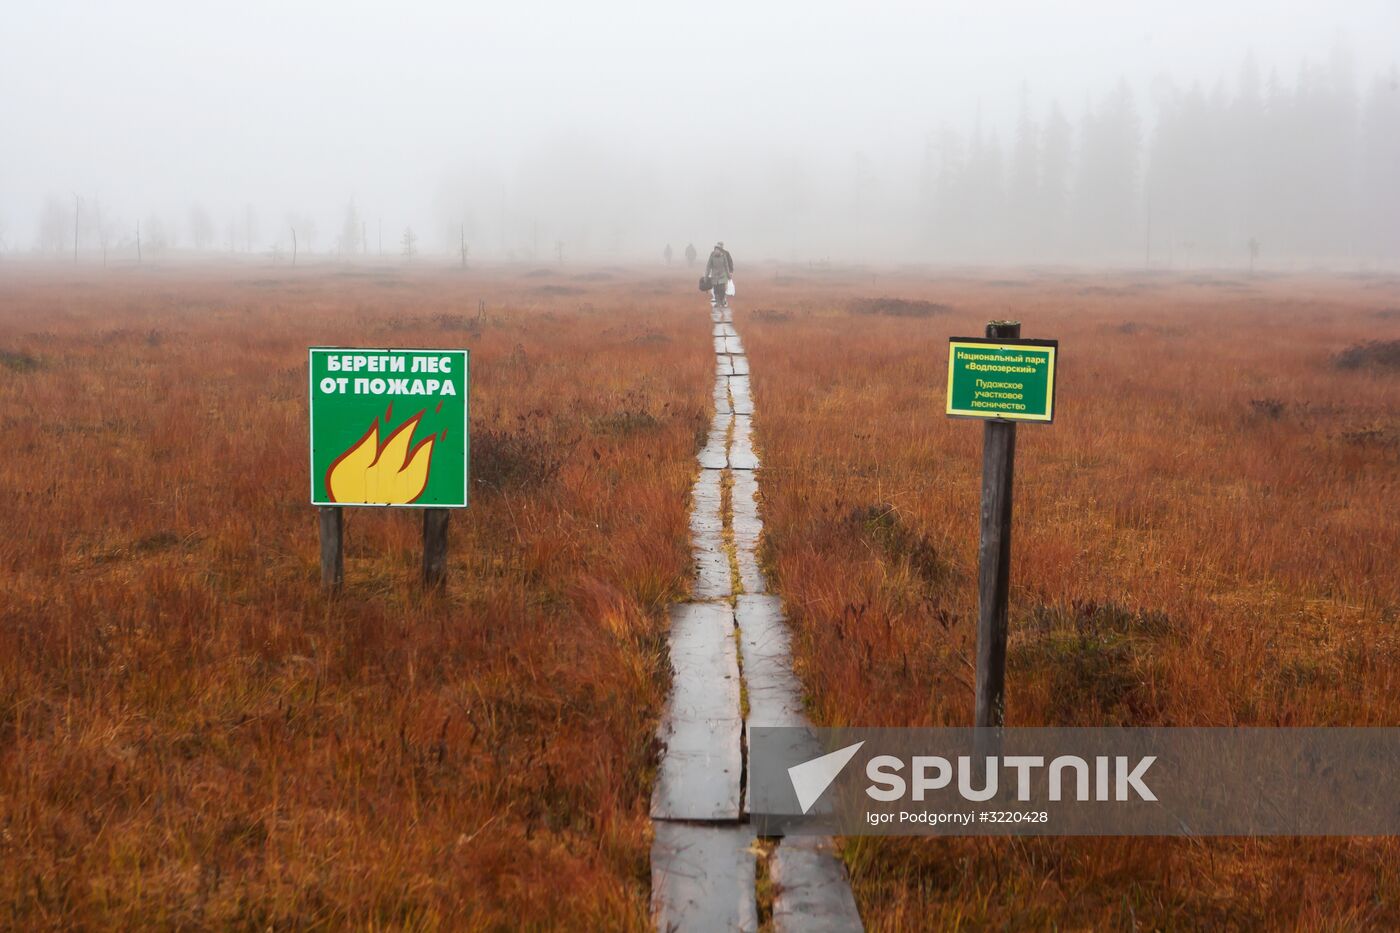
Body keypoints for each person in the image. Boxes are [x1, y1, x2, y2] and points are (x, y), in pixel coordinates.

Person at [706, 241, 734, 308]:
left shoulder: (725, 253)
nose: (718, 249)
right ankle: (718, 302)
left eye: (720, 245)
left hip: (723, 274)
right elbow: (709, 265)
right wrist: (706, 274)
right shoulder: (712, 254)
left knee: (722, 288)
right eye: (718, 246)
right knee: (716, 289)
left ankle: (722, 300)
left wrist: (730, 272)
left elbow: (728, 263)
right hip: (715, 275)